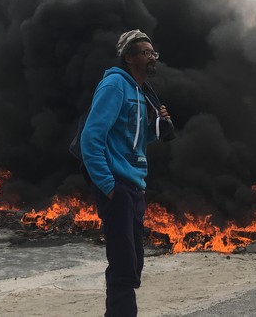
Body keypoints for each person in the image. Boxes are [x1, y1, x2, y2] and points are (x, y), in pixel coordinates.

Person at [80, 29, 172, 316]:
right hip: (118, 187)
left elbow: (134, 140)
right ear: (129, 57)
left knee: (132, 265)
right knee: (123, 267)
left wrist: (157, 128)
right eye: (145, 52)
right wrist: (109, 185)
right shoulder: (115, 86)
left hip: (134, 187)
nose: (151, 57)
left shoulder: (141, 92)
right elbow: (90, 139)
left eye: (153, 52)